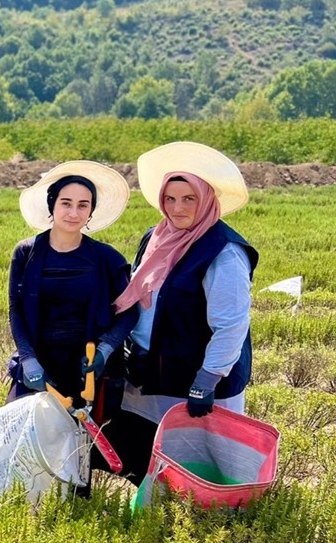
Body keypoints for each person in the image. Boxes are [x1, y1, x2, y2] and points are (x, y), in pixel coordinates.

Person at [105, 141, 258, 483]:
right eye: (170, 199)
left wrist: (209, 377)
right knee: (151, 453)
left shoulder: (223, 251)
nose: (178, 208)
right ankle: (157, 509)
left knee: (202, 459)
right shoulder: (156, 238)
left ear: (206, 199)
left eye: (189, 199)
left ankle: (209, 520)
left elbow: (231, 325)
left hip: (194, 376)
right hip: (151, 371)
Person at [7, 161, 137, 414]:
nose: (73, 213)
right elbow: (16, 309)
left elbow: (130, 311)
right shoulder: (26, 252)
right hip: (39, 363)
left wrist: (106, 349)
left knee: (87, 446)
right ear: (52, 205)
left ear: (91, 211)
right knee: (28, 443)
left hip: (88, 369)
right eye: (66, 203)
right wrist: (28, 359)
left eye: (83, 205)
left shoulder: (107, 258)